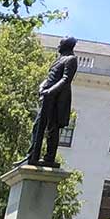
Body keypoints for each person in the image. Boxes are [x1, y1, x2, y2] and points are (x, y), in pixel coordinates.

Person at [23, 35, 78, 167]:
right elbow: (50, 77)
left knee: (52, 128)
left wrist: (50, 91)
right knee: (38, 126)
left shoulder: (71, 59)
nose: (58, 46)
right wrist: (42, 86)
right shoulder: (59, 60)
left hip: (57, 99)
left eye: (60, 44)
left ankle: (49, 157)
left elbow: (65, 79)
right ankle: (32, 154)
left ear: (66, 45)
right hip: (48, 98)